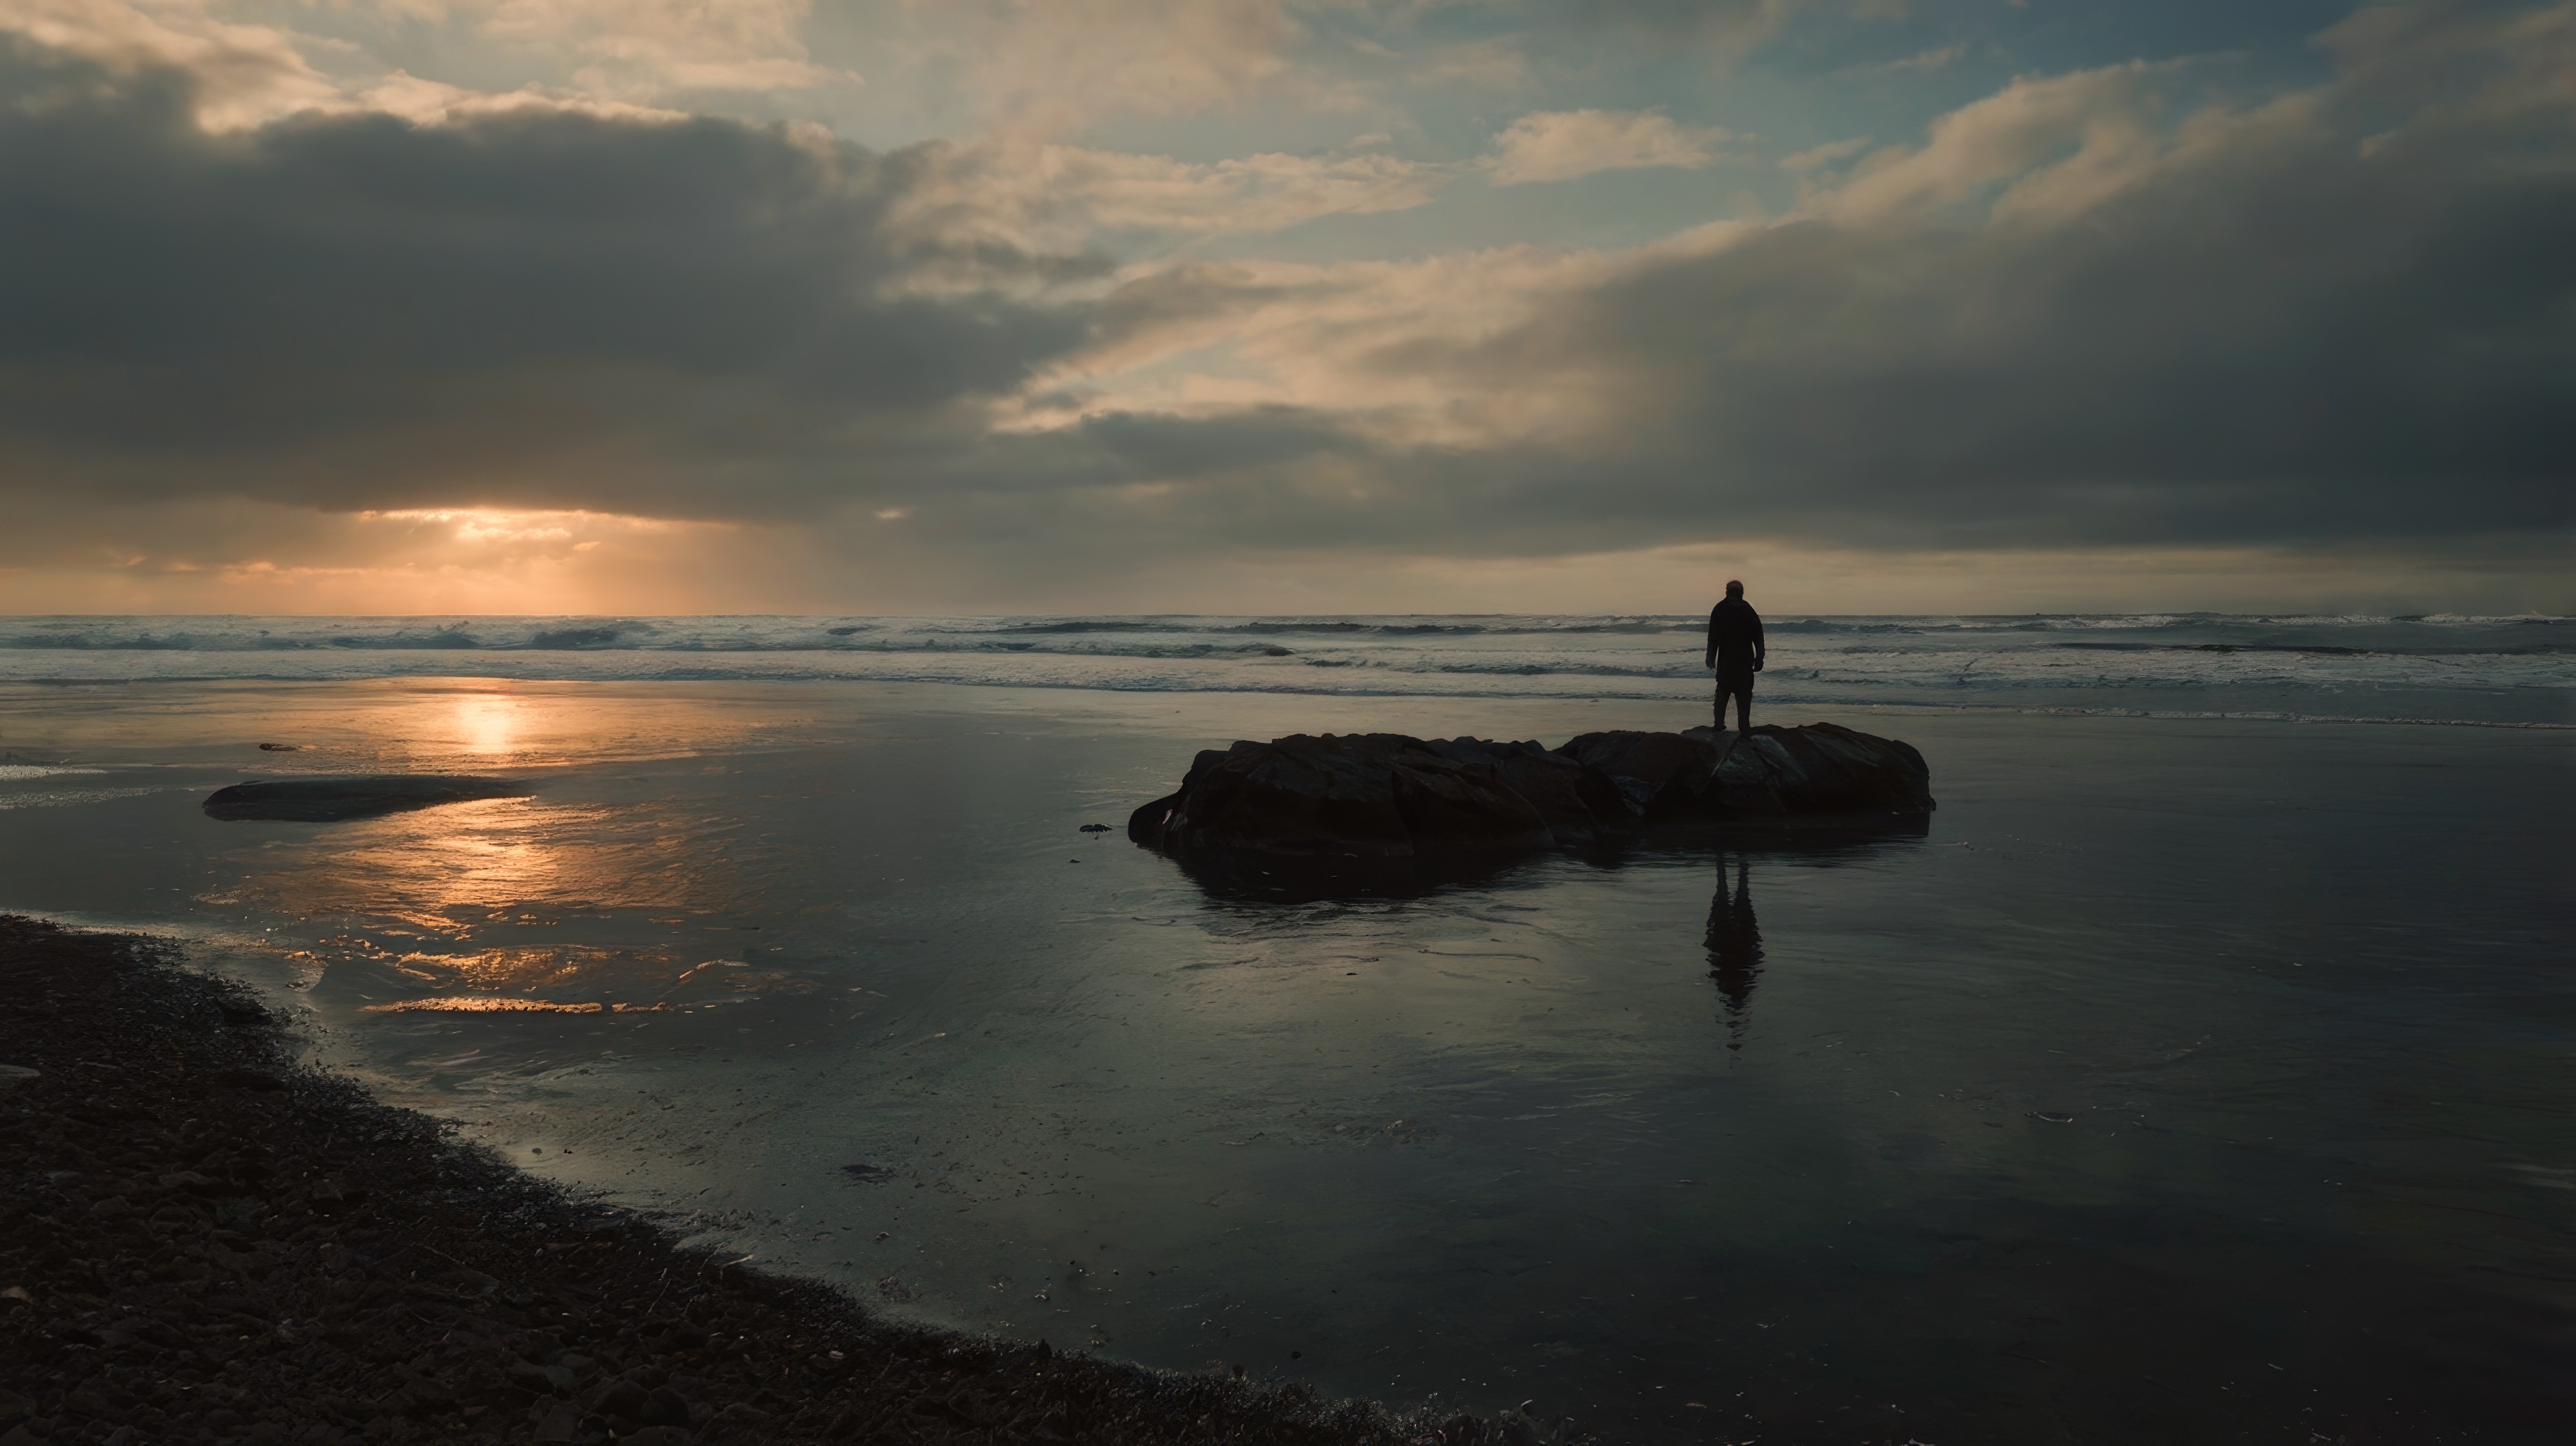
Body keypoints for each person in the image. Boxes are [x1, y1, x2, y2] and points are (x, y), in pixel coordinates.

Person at [1704, 579, 1764, 734]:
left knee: (1723, 691)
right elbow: (1758, 636)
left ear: (1727, 592)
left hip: (1727, 661)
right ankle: (1744, 727)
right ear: (1742, 593)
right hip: (1744, 660)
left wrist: (1711, 656)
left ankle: (1719, 725)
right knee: (1743, 694)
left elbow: (1713, 637)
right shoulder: (1747, 610)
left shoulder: (1720, 609)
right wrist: (1760, 657)